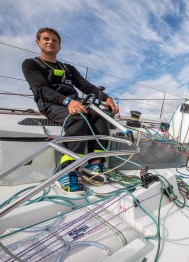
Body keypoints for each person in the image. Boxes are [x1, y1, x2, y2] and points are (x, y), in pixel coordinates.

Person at [22, 27, 119, 194]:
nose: (50, 42)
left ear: (59, 46)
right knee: (78, 117)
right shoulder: (31, 64)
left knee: (101, 116)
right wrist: (67, 101)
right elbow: (41, 88)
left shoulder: (68, 68)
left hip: (74, 102)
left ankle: (94, 164)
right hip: (51, 103)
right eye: (46, 39)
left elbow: (86, 86)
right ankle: (67, 171)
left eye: (54, 40)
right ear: (38, 42)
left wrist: (107, 98)